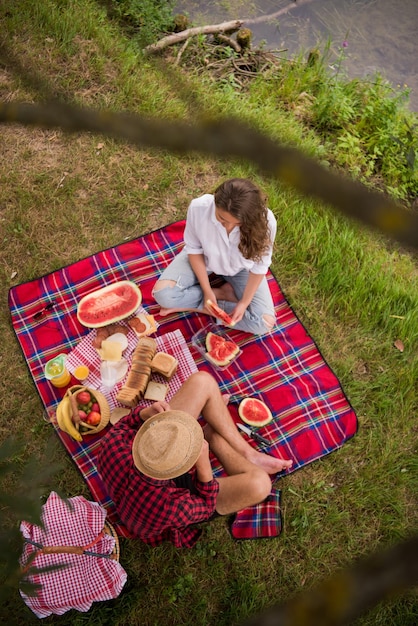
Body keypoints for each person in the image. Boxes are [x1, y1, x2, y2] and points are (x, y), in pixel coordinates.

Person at [97, 371, 293, 548]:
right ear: (184, 465)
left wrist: (144, 414)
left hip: (144, 482)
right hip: (167, 501)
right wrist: (204, 466)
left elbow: (125, 424)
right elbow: (206, 506)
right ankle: (211, 436)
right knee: (260, 485)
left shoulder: (112, 444)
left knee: (203, 381)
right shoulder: (171, 507)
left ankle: (248, 454)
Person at [152, 178, 277, 335]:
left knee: (264, 323)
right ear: (215, 201)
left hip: (242, 269)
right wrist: (207, 290)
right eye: (222, 219)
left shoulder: (266, 222)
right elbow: (194, 249)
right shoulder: (198, 208)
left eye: (238, 224)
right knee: (163, 294)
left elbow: (260, 266)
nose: (229, 226)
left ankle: (196, 304)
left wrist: (244, 303)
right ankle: (219, 296)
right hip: (204, 259)